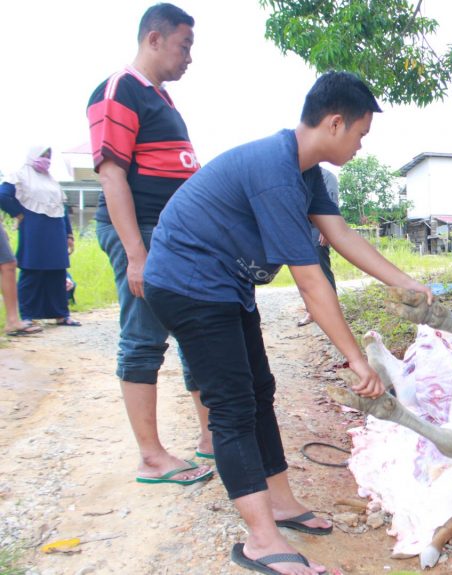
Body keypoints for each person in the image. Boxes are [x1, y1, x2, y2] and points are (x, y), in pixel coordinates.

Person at [143, 71, 432, 575]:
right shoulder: (276, 170)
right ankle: (260, 540)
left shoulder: (307, 172)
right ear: (336, 122)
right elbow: (311, 285)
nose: (362, 146)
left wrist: (405, 281)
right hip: (186, 283)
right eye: (361, 134)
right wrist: (355, 358)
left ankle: (279, 503)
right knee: (232, 405)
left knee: (259, 389)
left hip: (225, 284)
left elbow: (339, 234)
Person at [86, 3, 213, 485]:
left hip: (173, 238)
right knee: (143, 339)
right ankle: (152, 456)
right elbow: (112, 173)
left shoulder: (162, 99)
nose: (189, 58)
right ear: (154, 40)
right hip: (141, 233)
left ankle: (209, 438)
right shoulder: (120, 88)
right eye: (184, 46)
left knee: (193, 332)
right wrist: (136, 253)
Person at [0, 146, 80, 329]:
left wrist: (68, 234)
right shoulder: (19, 175)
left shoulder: (51, 181)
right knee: (32, 269)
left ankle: (61, 314)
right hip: (34, 228)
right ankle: (28, 315)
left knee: (57, 270)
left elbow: (62, 207)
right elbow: (2, 196)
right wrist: (18, 213)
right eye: (42, 155)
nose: (45, 159)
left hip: (56, 229)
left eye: (48, 156)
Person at [297, 169, 340, 327]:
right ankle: (312, 311)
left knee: (322, 268)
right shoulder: (294, 173)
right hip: (299, 227)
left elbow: (332, 204)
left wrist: (326, 230)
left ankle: (332, 311)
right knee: (302, 272)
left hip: (318, 227)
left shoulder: (327, 176)